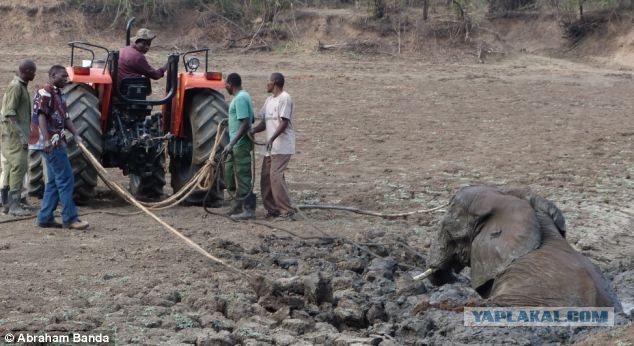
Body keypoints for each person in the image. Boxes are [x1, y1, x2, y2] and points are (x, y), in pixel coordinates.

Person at [29, 65, 89, 230]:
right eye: (62, 76)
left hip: (56, 141)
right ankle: (70, 218)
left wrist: (76, 134)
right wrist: (47, 140)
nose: (66, 79)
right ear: (52, 75)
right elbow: (41, 115)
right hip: (50, 143)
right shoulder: (45, 92)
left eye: (66, 76)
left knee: (55, 181)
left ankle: (45, 217)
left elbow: (66, 117)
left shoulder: (59, 94)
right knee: (66, 179)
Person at [253, 72, 296, 219]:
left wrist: (272, 138)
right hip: (271, 147)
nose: (267, 84)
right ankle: (272, 209)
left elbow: (284, 122)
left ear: (275, 82)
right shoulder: (269, 100)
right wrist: (252, 131)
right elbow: (264, 123)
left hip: (282, 146)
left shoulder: (285, 98)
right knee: (266, 178)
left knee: (275, 176)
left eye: (269, 81)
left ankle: (286, 210)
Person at [1, 59, 36, 216]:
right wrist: (22, 136)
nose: (35, 74)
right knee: (18, 168)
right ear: (27, 71)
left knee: (12, 168)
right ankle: (14, 206)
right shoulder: (16, 87)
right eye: (33, 71)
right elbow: (10, 113)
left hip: (14, 136)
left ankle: (9, 204)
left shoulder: (21, 86)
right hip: (14, 137)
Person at [220, 73, 256, 221]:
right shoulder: (240, 97)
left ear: (230, 84)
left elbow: (246, 122)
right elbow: (250, 118)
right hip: (236, 142)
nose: (225, 87)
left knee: (243, 175)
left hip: (240, 143)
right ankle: (236, 206)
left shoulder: (240, 98)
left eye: (226, 84)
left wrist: (231, 143)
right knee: (229, 172)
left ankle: (249, 210)